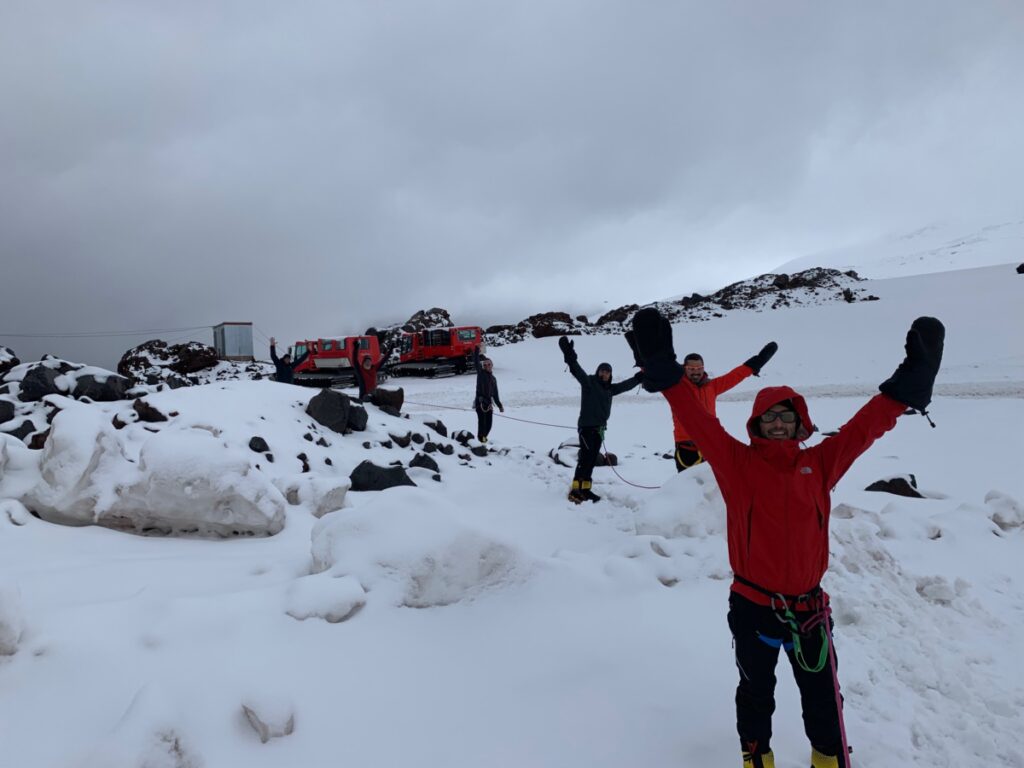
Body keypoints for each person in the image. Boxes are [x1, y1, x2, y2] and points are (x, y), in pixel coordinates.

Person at [627, 308, 944, 768]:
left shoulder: (820, 464)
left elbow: (862, 430)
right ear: (756, 424)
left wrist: (903, 392)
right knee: (756, 693)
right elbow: (699, 423)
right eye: (769, 417)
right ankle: (758, 759)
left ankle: (827, 760)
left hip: (810, 609)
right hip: (754, 607)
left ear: (801, 424)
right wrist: (669, 378)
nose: (778, 424)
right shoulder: (737, 463)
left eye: (787, 417)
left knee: (822, 697)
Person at [558, 335, 643, 504]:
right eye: (602, 370)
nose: (604, 373)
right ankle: (576, 490)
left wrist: (639, 377)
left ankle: (586, 489)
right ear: (598, 372)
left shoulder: (610, 389)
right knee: (584, 460)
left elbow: (626, 385)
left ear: (610, 374)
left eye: (607, 371)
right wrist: (570, 356)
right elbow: (577, 370)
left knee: (590, 461)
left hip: (599, 429)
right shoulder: (589, 382)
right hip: (586, 428)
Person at [671, 346, 778, 472]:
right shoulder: (677, 388)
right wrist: (644, 374)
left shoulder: (711, 387)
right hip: (686, 448)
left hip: (711, 444)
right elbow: (658, 371)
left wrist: (755, 363)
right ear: (685, 369)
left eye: (699, 368)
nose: (696, 372)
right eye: (691, 369)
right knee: (687, 486)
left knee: (713, 486)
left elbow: (734, 376)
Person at [473, 345, 503, 443]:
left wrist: (500, 406)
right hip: (480, 402)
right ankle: (481, 441)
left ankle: (483, 439)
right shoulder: (481, 374)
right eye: (485, 365)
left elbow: (495, 394)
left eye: (488, 364)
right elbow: (476, 362)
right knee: (482, 423)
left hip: (489, 403)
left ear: (492, 365)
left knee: (489, 424)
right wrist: (477, 350)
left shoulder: (494, 379)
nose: (486, 366)